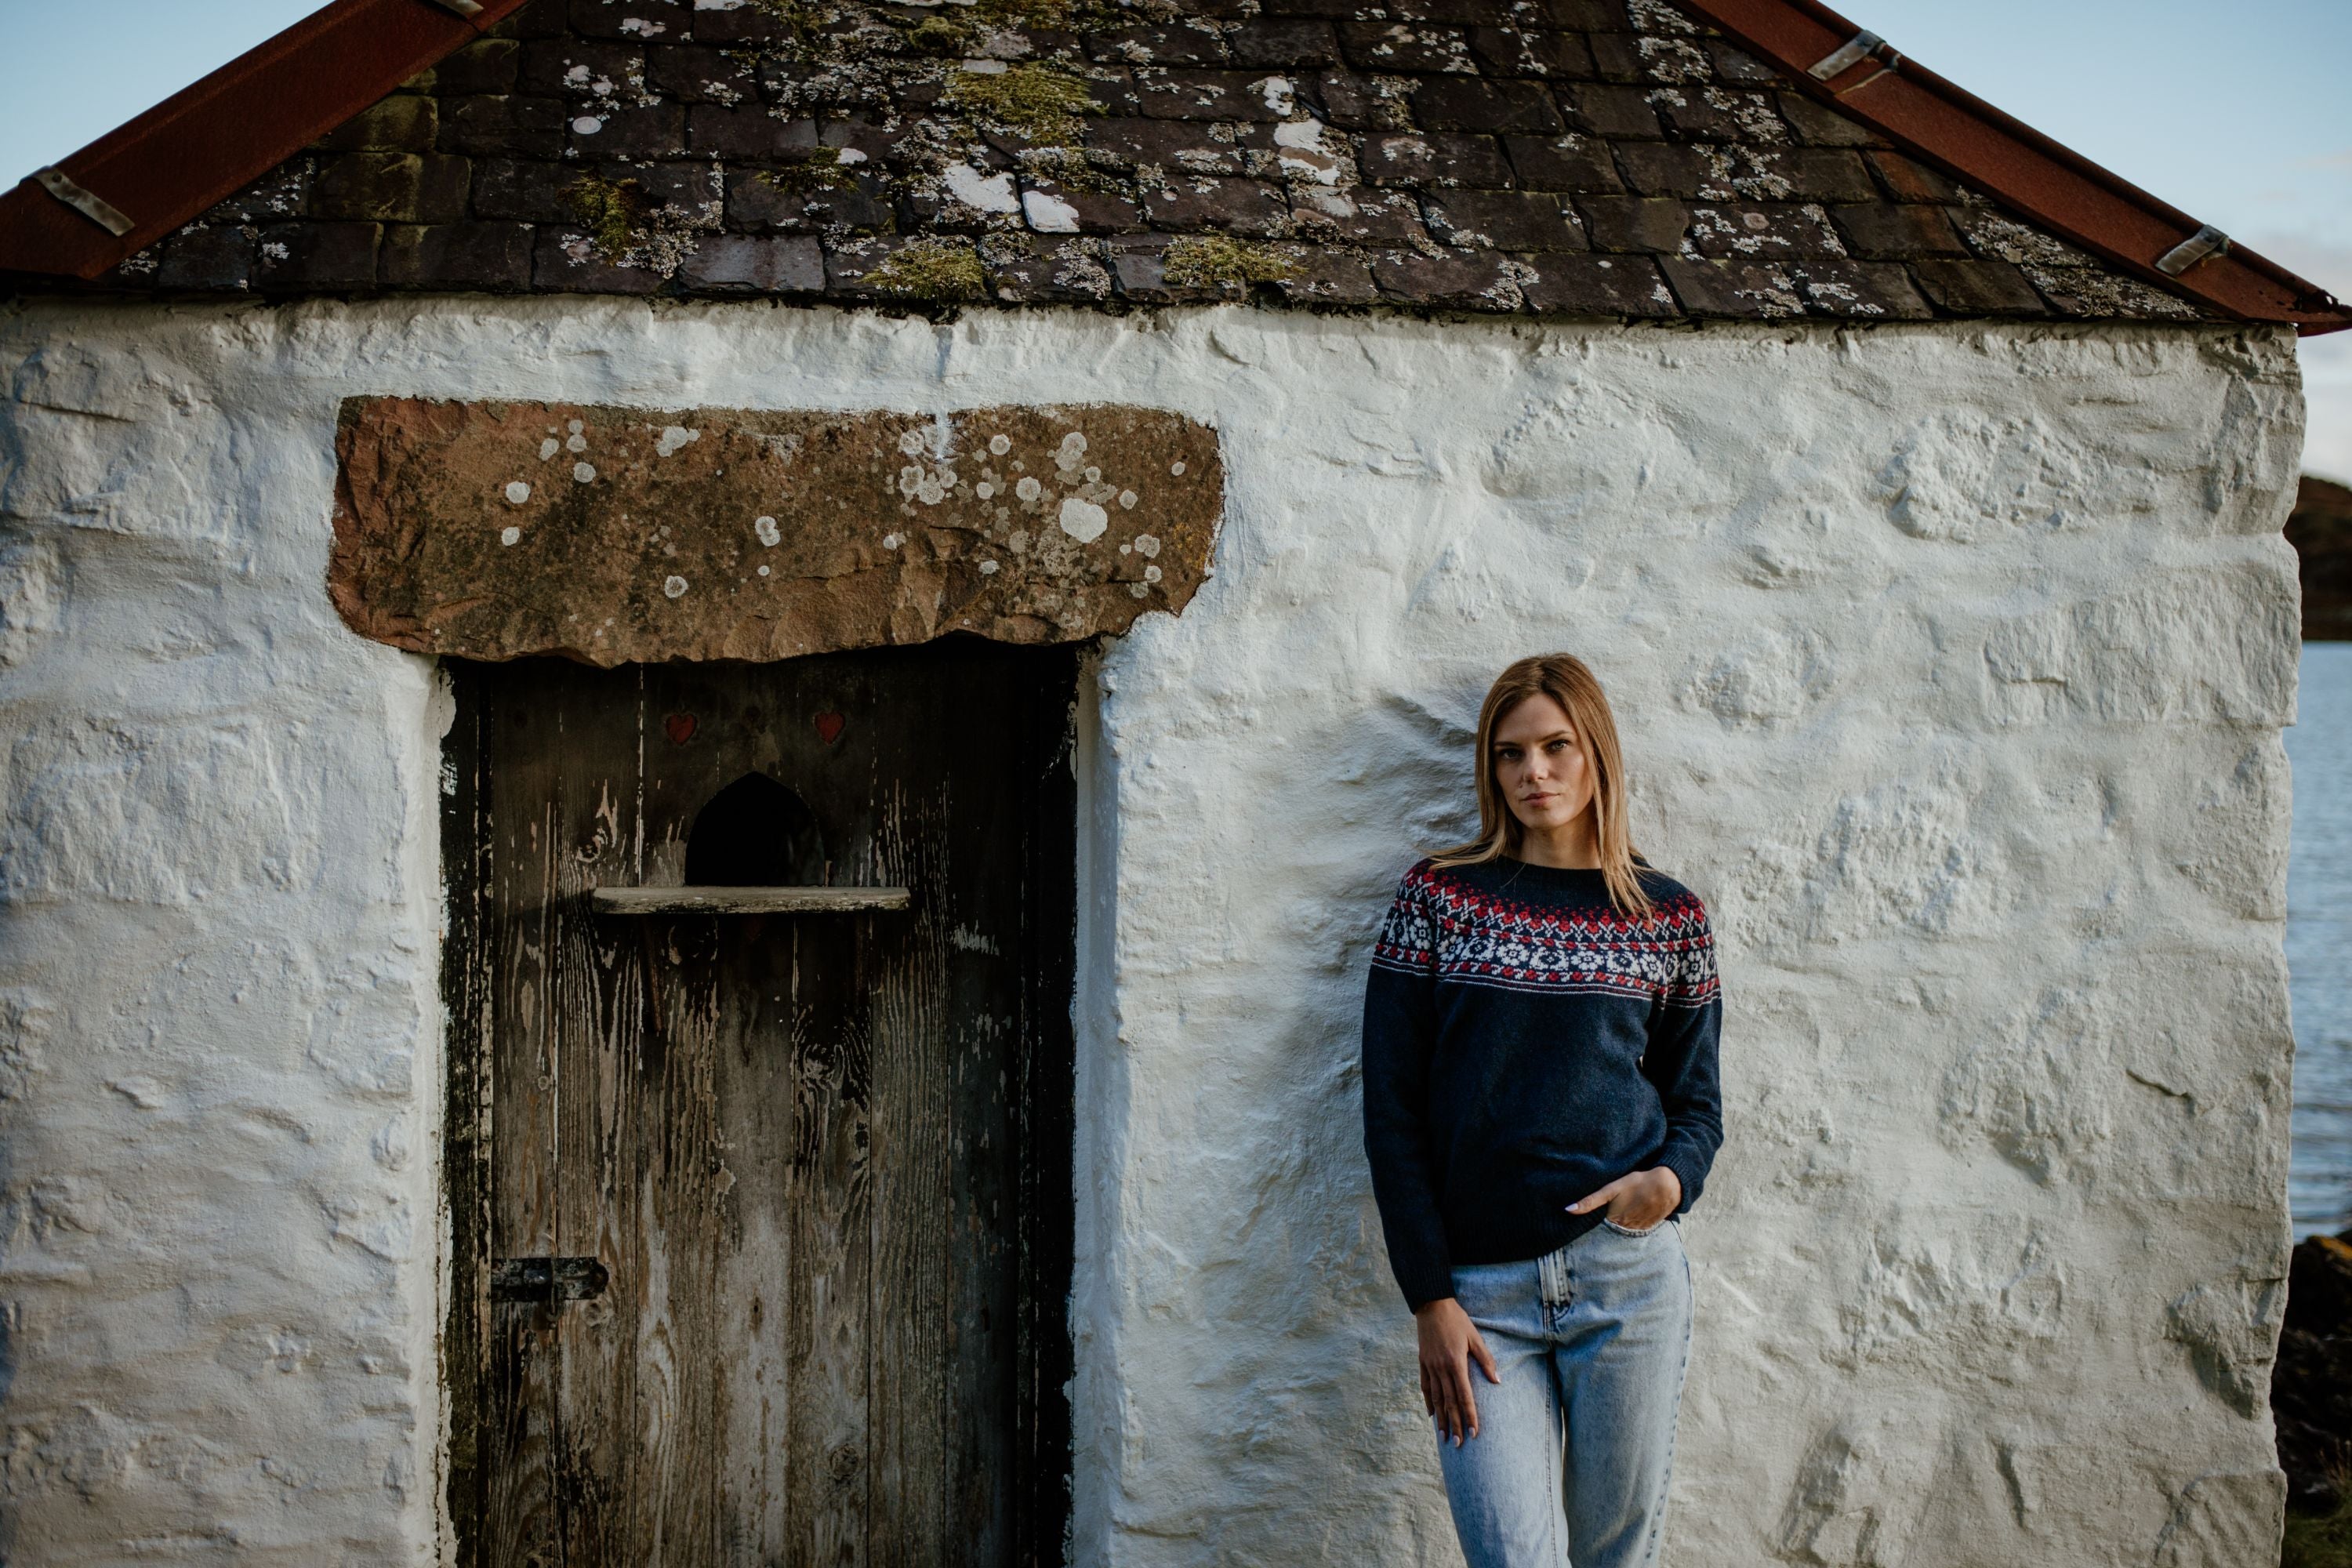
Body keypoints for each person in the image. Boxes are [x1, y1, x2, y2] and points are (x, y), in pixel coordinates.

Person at [1361, 653, 1724, 1568]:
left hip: (1626, 1282)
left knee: (1613, 1556)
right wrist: (1430, 1295)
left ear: (1596, 751)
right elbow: (1392, 1108)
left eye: (1557, 746)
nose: (1534, 771)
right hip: (1481, 1302)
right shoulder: (1440, 898)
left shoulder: (1667, 916)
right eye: (1511, 752)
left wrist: (1668, 1182)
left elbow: (1697, 1103)